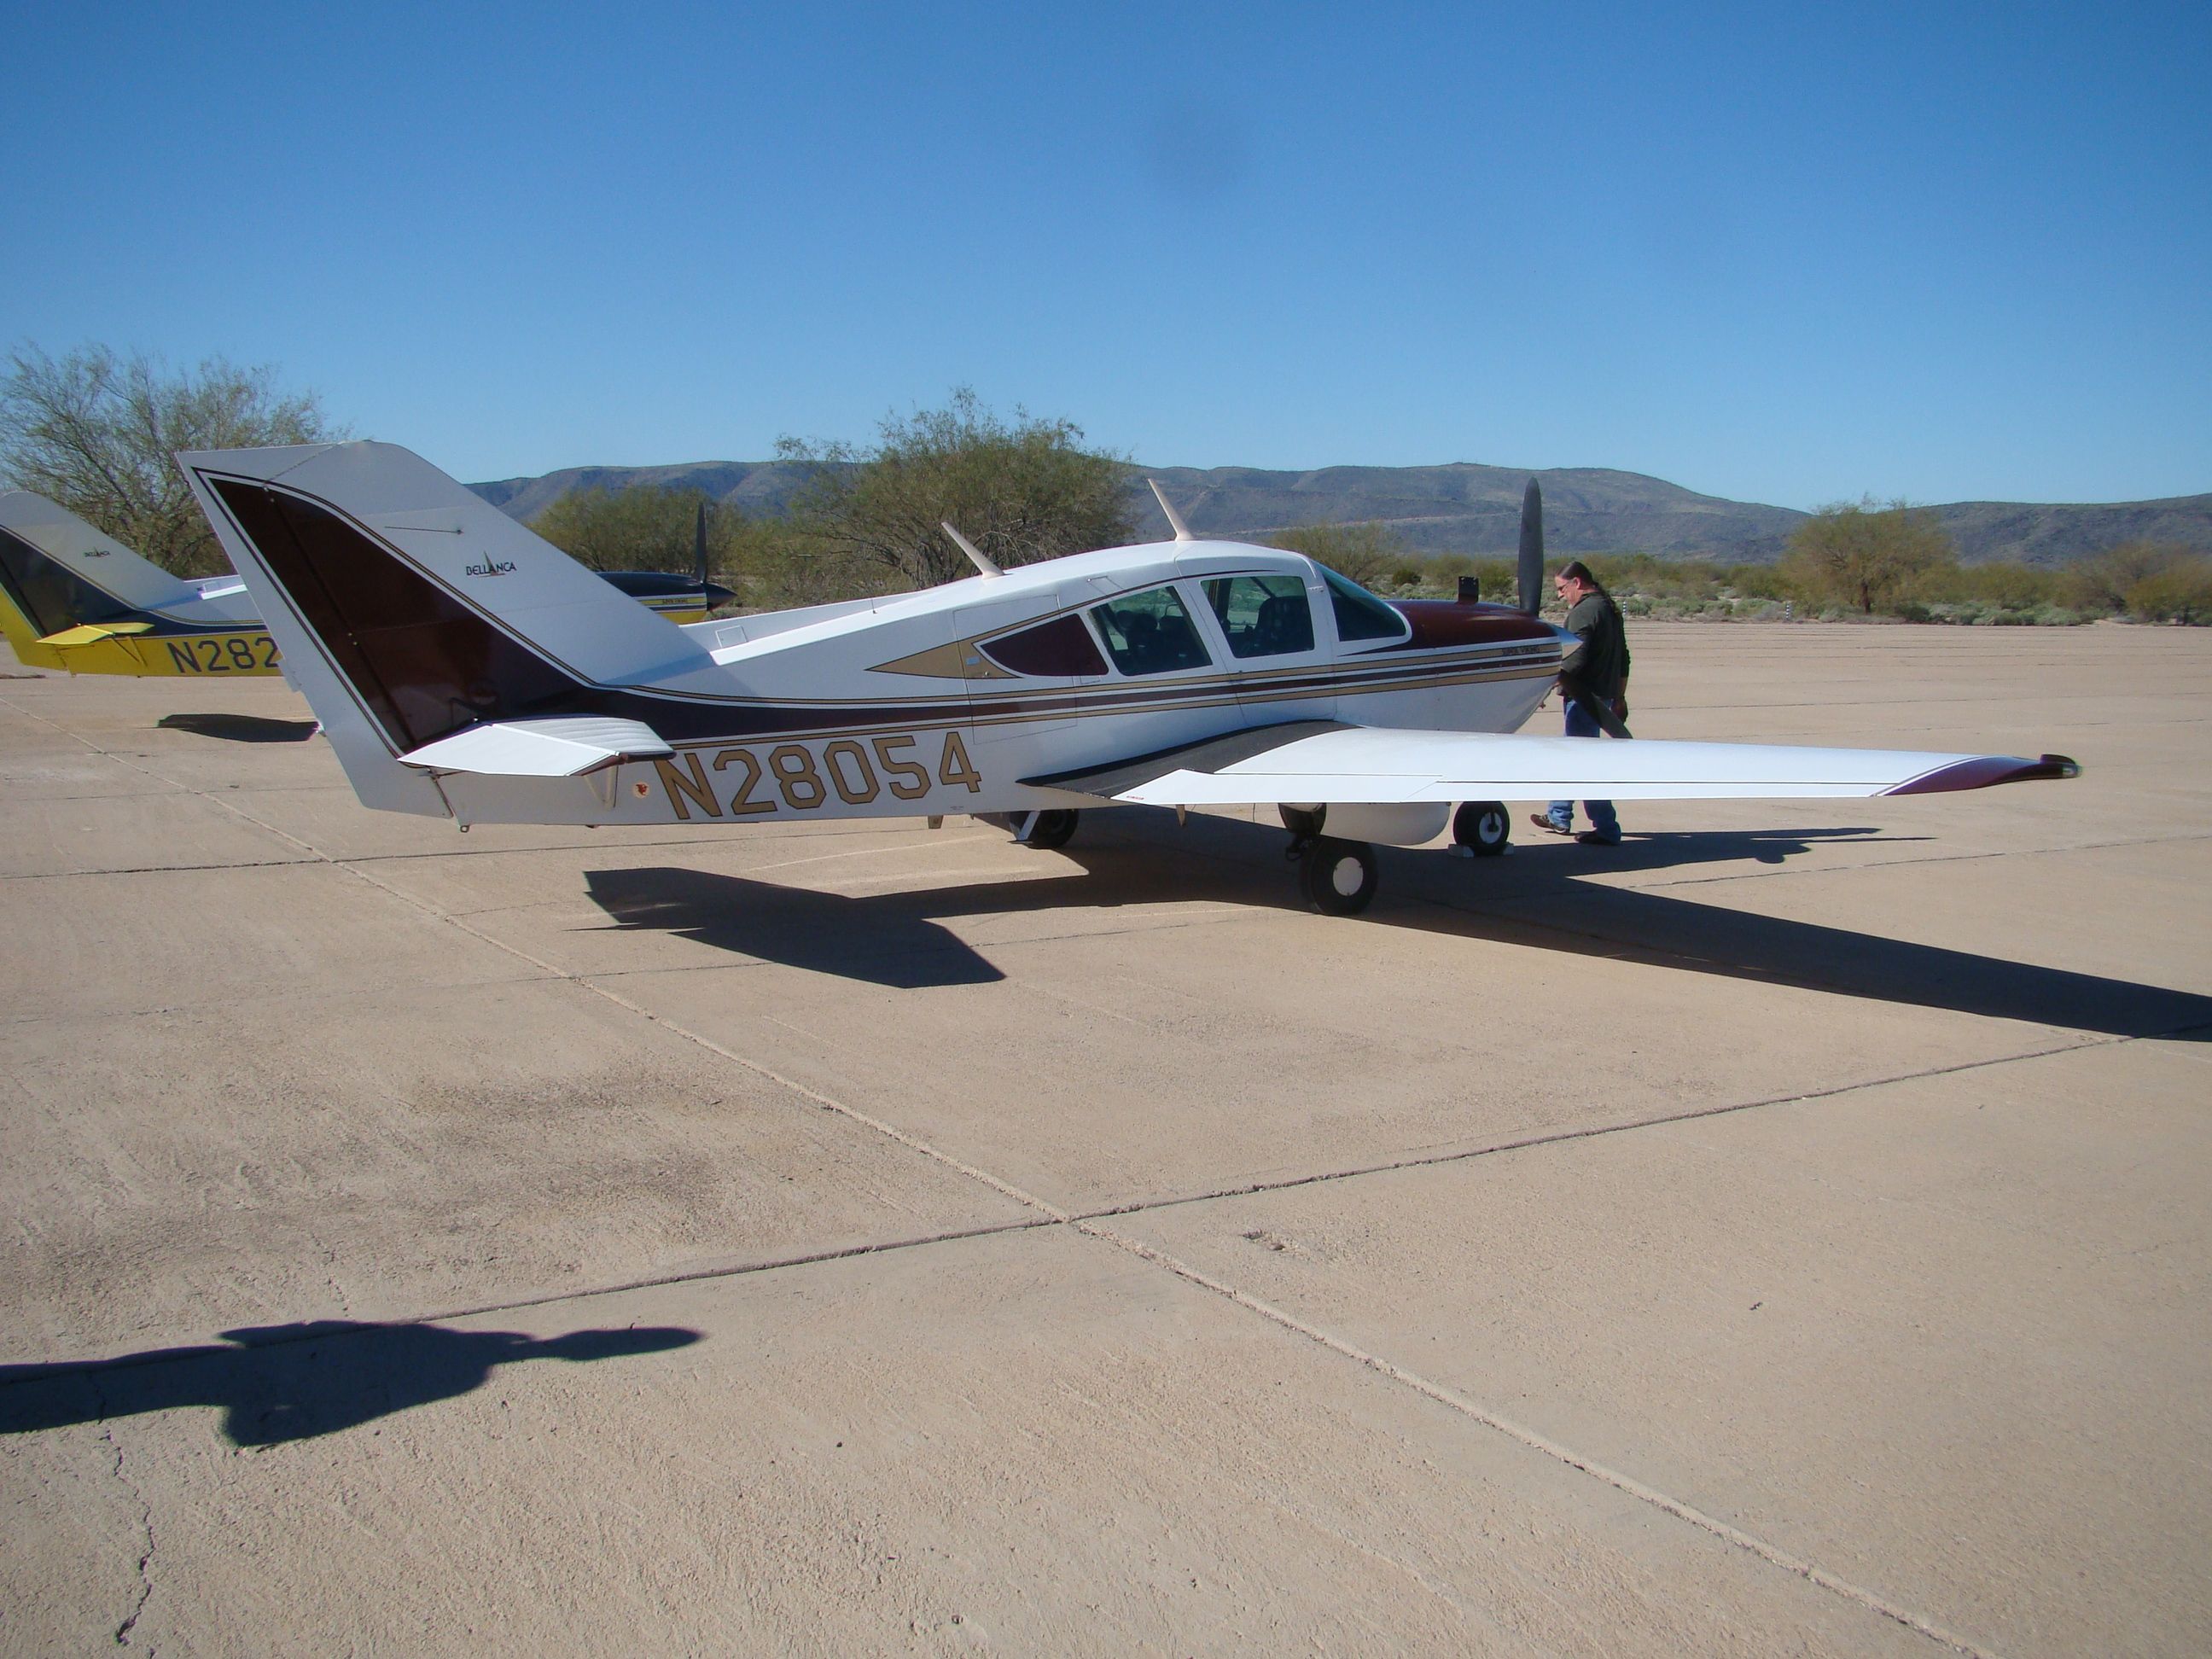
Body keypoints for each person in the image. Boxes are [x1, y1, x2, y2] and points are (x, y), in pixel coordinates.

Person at [1531, 560, 1632, 846]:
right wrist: (1620, 696)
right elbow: (1624, 657)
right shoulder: (1608, 609)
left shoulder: (1584, 612)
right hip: (1603, 697)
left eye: (1562, 589)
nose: (1561, 596)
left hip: (1583, 699)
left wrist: (1541, 688)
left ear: (1577, 583)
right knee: (1573, 756)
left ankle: (1607, 827)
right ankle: (1559, 814)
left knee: (1584, 763)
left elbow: (1574, 660)